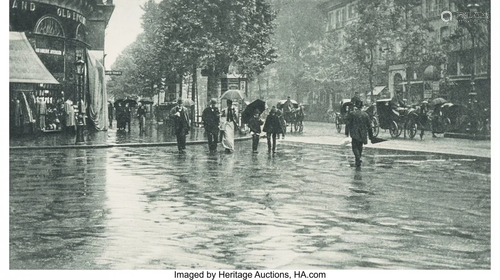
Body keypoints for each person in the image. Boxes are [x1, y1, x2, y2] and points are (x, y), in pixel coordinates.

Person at [345, 98, 374, 168]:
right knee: (360, 146)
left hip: (354, 133)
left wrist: (347, 132)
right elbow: (369, 126)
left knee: (354, 147)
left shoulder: (352, 114)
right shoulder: (365, 115)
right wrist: (371, 136)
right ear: (361, 107)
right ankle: (358, 159)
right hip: (363, 133)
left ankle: (357, 158)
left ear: (356, 107)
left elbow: (348, 123)